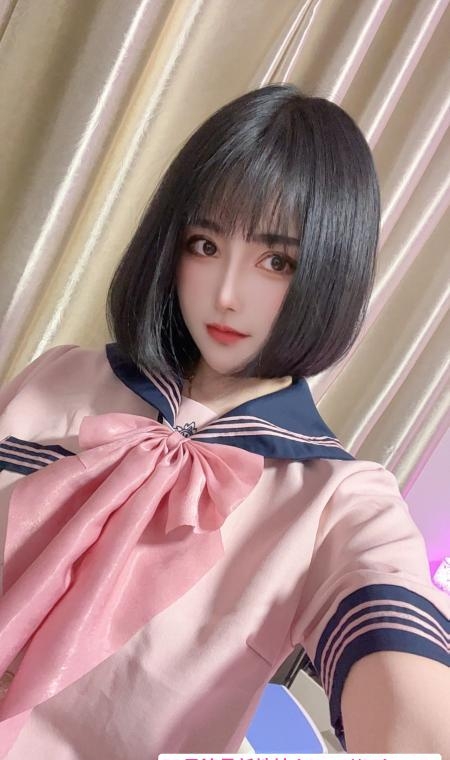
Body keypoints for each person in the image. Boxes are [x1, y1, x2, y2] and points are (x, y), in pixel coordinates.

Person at [0, 83, 448, 758]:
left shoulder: (335, 501)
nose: (228, 294)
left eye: (276, 261)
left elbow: (399, 661)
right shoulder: (58, 375)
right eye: (205, 245)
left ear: (330, 272)